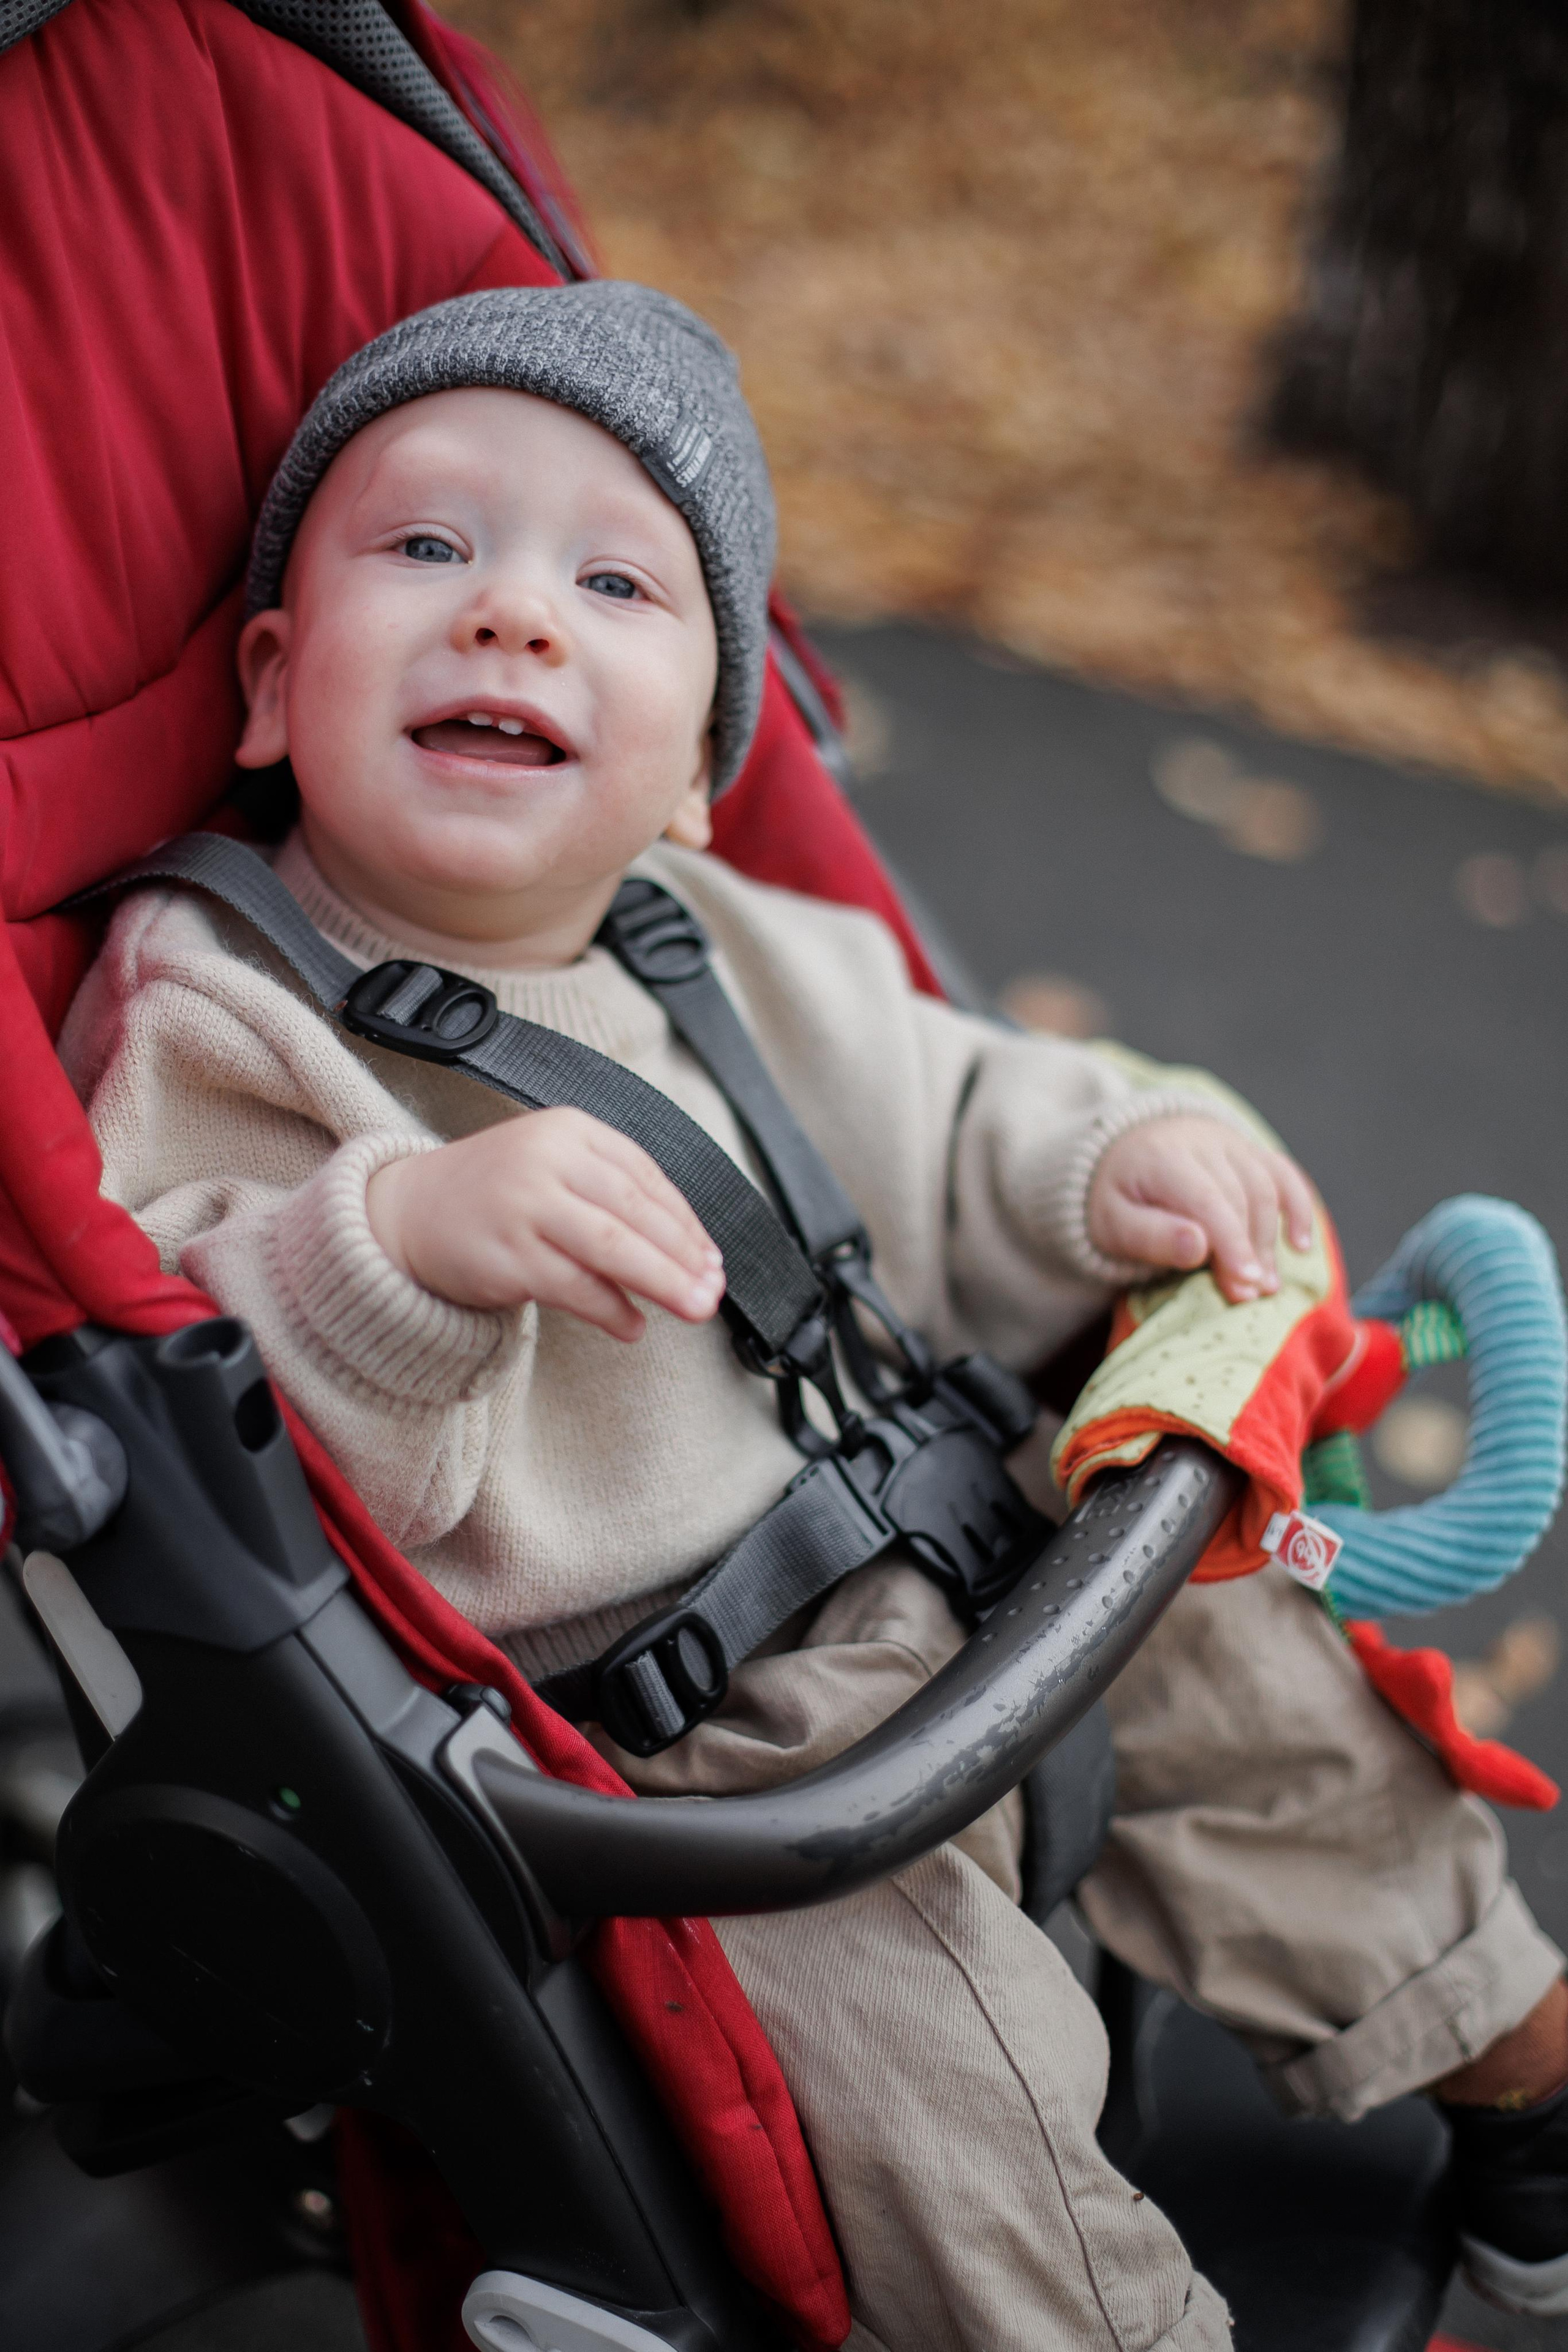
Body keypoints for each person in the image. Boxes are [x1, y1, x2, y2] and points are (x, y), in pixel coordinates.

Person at [61, 281, 1568, 2347]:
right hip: (695, 1753)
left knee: (1281, 1695)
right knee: (961, 2107)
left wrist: (1096, 1162)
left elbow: (951, 1110)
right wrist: (400, 1238)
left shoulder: (720, 939)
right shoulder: (212, 992)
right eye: (425, 548)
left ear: (694, 773)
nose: (511, 613)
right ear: (265, 682)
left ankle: (1522, 2086)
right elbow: (175, 1341)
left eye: (612, 581)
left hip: (951, 1529)